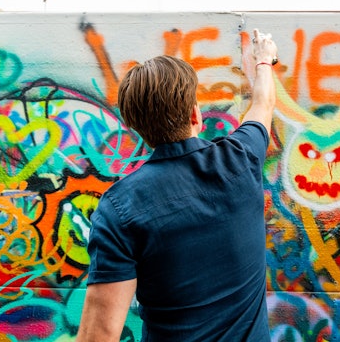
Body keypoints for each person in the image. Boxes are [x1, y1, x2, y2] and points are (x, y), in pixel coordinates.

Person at [76, 29, 277, 341]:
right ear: (195, 114)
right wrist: (264, 61)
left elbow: (99, 335)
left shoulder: (119, 208)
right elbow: (263, 105)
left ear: (137, 129)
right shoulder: (241, 158)